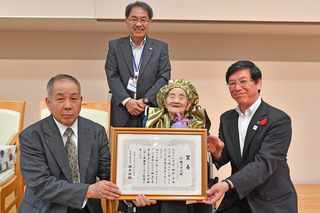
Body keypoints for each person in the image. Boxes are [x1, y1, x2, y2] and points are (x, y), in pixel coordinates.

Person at [203, 61, 297, 213]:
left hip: (271, 200)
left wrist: (227, 184)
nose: (237, 87)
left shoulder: (278, 119)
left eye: (243, 81)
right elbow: (227, 157)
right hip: (238, 198)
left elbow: (265, 163)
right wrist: (217, 151)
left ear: (258, 83)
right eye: (232, 83)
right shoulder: (227, 118)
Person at [19, 74, 121, 213]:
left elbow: (108, 173)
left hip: (86, 207)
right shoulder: (31, 136)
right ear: (48, 103)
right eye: (60, 99)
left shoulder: (96, 131)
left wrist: (131, 193)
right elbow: (40, 184)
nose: (68, 106)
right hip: (46, 207)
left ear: (80, 101)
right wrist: (88, 191)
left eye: (73, 99)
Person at [130, 78, 212, 213]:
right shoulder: (152, 122)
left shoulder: (197, 125)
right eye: (171, 96)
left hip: (185, 189)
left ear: (188, 104)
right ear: (164, 101)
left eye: (181, 97)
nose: (175, 100)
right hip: (154, 188)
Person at [105, 1, 171, 128]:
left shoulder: (160, 47)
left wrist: (145, 100)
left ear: (150, 22)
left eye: (143, 20)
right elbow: (112, 75)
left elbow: (164, 76)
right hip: (122, 111)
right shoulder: (115, 46)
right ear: (126, 21)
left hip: (150, 111)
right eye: (134, 19)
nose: (139, 24)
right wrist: (127, 101)